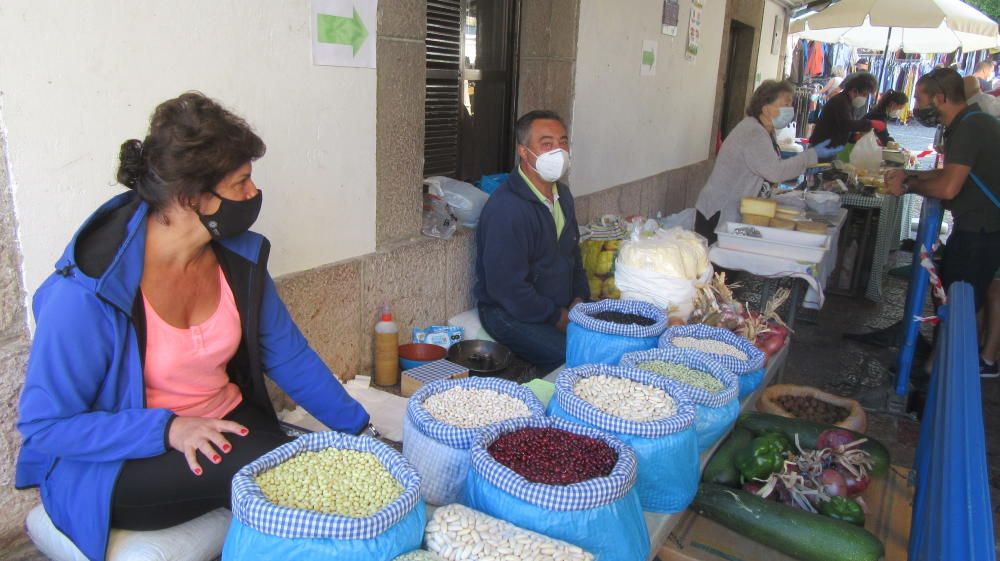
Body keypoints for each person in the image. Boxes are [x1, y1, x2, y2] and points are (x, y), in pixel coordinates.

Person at [15, 92, 372, 561]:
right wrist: (167, 429)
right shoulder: (87, 292)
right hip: (123, 461)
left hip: (222, 424)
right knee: (278, 483)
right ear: (193, 197)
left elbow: (288, 355)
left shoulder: (236, 257)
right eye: (241, 182)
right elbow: (44, 428)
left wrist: (360, 430)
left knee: (322, 467)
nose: (253, 194)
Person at [884, 68, 1000, 375]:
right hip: (980, 227)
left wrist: (908, 185)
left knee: (960, 300)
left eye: (921, 100)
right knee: (962, 297)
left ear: (941, 98)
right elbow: (949, 174)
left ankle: (951, 369)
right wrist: (910, 175)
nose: (917, 108)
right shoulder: (969, 123)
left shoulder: (970, 128)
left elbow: (948, 187)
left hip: (982, 230)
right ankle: (947, 362)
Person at [474, 110, 589, 373]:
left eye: (562, 142)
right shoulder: (507, 209)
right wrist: (559, 318)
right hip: (510, 314)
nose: (558, 152)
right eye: (546, 144)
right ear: (524, 152)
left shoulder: (564, 196)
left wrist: (579, 300)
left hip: (560, 308)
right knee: (576, 361)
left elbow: (574, 257)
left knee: (613, 341)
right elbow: (508, 289)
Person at [696, 80, 843, 243]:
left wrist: (803, 167)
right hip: (719, 211)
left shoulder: (764, 131)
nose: (790, 110)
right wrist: (810, 156)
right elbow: (775, 172)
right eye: (785, 104)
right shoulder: (753, 133)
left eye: (791, 104)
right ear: (765, 107)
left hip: (734, 209)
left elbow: (767, 166)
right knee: (717, 265)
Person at [809, 72, 886, 149]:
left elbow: (842, 127)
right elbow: (846, 124)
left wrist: (856, 137)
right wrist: (871, 123)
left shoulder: (849, 103)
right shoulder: (840, 102)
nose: (865, 98)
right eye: (864, 95)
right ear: (855, 91)